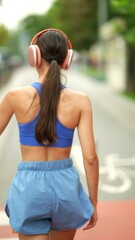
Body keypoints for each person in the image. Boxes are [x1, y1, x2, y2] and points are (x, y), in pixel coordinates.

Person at [0, 28, 99, 240]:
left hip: (29, 187)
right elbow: (90, 158)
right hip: (66, 187)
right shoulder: (81, 100)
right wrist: (93, 202)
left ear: (34, 56)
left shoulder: (14, 97)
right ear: (67, 60)